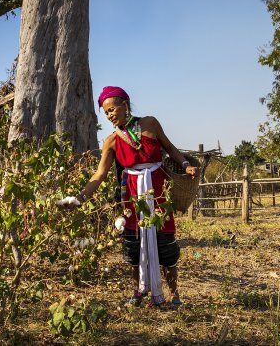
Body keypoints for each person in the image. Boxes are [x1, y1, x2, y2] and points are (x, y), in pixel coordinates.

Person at [71, 86, 198, 308]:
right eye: (106, 112)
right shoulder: (111, 141)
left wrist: (185, 165)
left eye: (112, 109)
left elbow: (169, 147)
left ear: (125, 105)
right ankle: (138, 292)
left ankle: (175, 295)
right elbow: (100, 174)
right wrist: (80, 197)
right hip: (131, 196)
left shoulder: (150, 124)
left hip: (158, 193)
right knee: (133, 246)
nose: (110, 115)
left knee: (166, 245)